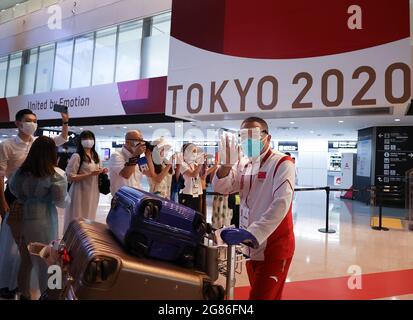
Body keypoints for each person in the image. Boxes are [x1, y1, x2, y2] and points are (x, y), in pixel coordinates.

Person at [213, 117, 295, 300]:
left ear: (268, 137)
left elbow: (281, 204)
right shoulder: (242, 163)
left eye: (254, 135)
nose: (248, 141)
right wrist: (225, 165)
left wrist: (252, 233)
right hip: (250, 247)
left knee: (260, 296)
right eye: (243, 136)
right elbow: (222, 187)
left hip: (274, 246)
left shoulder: (282, 163)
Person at [0, 108, 69, 299]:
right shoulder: (56, 175)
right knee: (48, 260)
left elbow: (12, 188)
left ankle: (23, 294)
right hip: (43, 220)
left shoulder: (21, 172)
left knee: (25, 260)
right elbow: (62, 201)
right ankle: (51, 295)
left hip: (21, 214)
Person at [64, 131, 108, 232]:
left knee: (89, 216)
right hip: (79, 192)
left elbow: (98, 170)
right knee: (78, 216)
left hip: (93, 191)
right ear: (80, 141)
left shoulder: (95, 155)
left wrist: (102, 171)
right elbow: (71, 177)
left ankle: (86, 238)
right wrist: (90, 174)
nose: (88, 141)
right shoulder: (77, 156)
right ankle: (73, 239)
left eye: (90, 138)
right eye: (85, 138)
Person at [109, 130, 154, 196]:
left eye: (141, 140)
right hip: (122, 198)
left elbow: (150, 174)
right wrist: (135, 155)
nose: (141, 143)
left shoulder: (139, 157)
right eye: (138, 140)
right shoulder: (116, 155)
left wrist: (148, 155)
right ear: (127, 141)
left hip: (137, 196)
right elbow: (126, 174)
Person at [178, 143, 204, 212]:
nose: (195, 154)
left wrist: (201, 163)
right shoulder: (182, 164)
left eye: (195, 151)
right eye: (193, 151)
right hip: (187, 194)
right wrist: (201, 163)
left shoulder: (194, 164)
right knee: (187, 216)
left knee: (196, 216)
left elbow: (201, 176)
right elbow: (193, 174)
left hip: (196, 193)